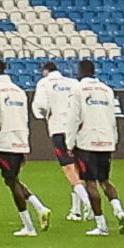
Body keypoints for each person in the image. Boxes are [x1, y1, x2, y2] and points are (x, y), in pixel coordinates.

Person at [0, 58, 49, 235]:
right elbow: (25, 119)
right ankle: (39, 207)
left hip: (4, 142)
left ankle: (29, 226)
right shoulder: (19, 91)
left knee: (11, 182)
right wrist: (25, 144)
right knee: (14, 179)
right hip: (20, 140)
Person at [71, 58, 124, 235]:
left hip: (87, 142)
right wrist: (113, 140)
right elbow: (112, 118)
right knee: (105, 181)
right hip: (106, 141)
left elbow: (74, 118)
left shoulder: (78, 89)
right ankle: (118, 209)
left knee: (90, 183)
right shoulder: (106, 90)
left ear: (81, 72)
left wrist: (69, 143)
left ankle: (101, 225)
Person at [33, 60, 87, 221]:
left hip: (59, 129)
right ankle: (76, 210)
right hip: (77, 129)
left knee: (68, 169)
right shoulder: (73, 83)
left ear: (45, 71)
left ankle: (87, 204)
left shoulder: (44, 83)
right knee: (78, 168)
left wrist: (46, 115)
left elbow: (40, 106)